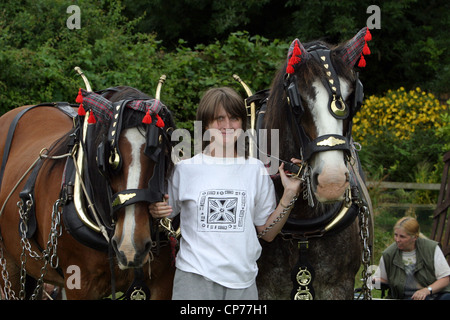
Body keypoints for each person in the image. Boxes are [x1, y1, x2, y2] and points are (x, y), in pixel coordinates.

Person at [149, 87, 302, 300]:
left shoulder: (256, 169)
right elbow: (163, 216)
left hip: (243, 282)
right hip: (195, 280)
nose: (227, 126)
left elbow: (267, 233)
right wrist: (156, 211)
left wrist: (289, 195)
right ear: (205, 124)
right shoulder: (184, 170)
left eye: (234, 118)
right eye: (218, 119)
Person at [374, 216, 450, 300]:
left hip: (434, 295)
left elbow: (445, 278)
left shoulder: (431, 249)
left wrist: (426, 290)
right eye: (396, 235)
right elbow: (383, 280)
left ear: (414, 237)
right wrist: (373, 280)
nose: (397, 239)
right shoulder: (388, 254)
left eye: (402, 237)